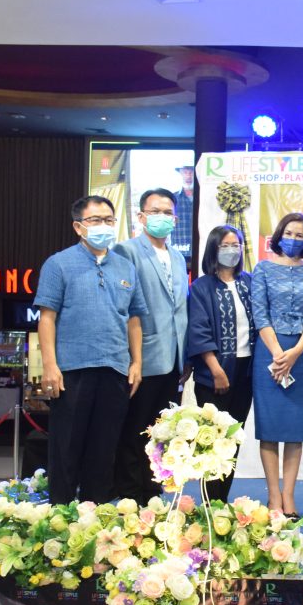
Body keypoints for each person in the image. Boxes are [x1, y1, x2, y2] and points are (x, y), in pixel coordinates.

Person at [34, 196, 146, 504]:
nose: (103, 226)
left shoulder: (125, 267)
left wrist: (137, 362)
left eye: (109, 220)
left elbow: (134, 319)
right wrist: (50, 365)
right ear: (78, 227)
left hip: (115, 369)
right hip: (72, 370)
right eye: (95, 220)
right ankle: (61, 515)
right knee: (66, 449)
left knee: (104, 451)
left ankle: (94, 515)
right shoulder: (58, 264)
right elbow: (47, 318)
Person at [112, 188, 189, 502]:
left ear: (175, 219)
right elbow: (123, 306)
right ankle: (130, 493)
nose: (162, 217)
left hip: (174, 358)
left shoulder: (178, 257)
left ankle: (152, 489)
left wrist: (186, 356)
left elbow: (179, 309)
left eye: (167, 212)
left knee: (161, 430)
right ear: (141, 216)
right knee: (135, 428)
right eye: (155, 211)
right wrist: (133, 358)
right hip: (143, 356)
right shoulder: (127, 250)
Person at [251, 212, 303, 518]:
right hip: (268, 352)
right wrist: (278, 352)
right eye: (289, 233)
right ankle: (273, 497)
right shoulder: (263, 269)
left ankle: (289, 496)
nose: (293, 239)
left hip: (301, 353)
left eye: (300, 235)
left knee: (295, 429)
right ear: (279, 235)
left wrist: (295, 352)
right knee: (269, 428)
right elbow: (260, 313)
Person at [186, 225, 254, 502]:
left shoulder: (249, 283)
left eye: (236, 245)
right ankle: (208, 502)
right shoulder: (201, 287)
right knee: (212, 439)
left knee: (233, 440)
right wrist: (216, 369)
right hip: (213, 374)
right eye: (225, 245)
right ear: (214, 249)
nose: (231, 250)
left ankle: (220, 501)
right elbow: (198, 331)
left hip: (246, 372)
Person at [171, 165, 194, 259]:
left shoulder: (203, 197)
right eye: (185, 172)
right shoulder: (173, 198)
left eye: (191, 172)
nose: (188, 176)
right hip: (179, 249)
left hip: (200, 248)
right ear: (181, 174)